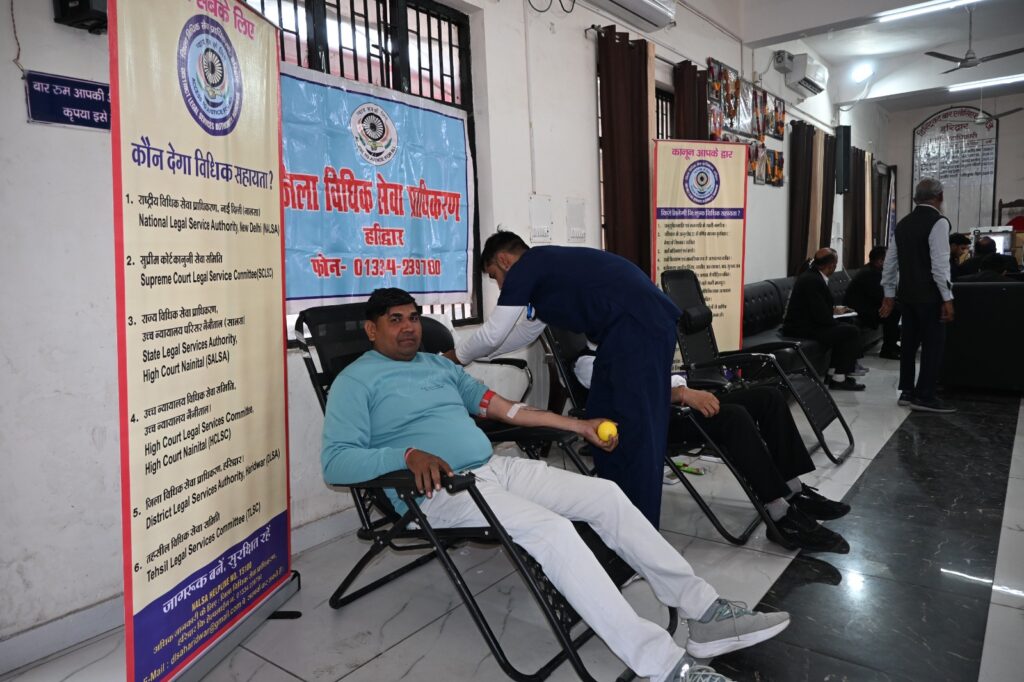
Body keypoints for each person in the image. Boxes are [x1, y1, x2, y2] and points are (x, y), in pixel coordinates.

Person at [322, 288, 789, 682]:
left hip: (492, 468)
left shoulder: (437, 367)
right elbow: (336, 462)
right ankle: (663, 666)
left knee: (606, 496)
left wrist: (579, 426)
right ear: (371, 330)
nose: (409, 327)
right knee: (551, 531)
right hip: (433, 492)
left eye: (413, 318)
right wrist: (406, 455)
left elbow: (507, 410)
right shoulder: (355, 381)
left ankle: (705, 613)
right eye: (395, 320)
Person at [446, 232, 680, 528]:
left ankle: (640, 527)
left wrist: (456, 356)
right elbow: (521, 334)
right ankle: (613, 513)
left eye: (494, 276)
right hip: (624, 334)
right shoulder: (546, 272)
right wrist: (477, 355)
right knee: (602, 415)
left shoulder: (527, 267)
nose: (500, 285)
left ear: (504, 260)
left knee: (635, 430)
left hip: (638, 329)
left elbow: (495, 332)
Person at [574, 353, 851, 553]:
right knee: (734, 417)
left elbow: (662, 377)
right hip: (653, 425)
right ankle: (779, 514)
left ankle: (794, 490)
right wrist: (682, 394)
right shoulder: (587, 363)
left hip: (679, 406)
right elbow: (634, 394)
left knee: (769, 398)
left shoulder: (633, 342)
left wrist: (687, 390)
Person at [880, 178, 955, 414]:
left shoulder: (903, 224)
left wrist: (889, 294)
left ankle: (907, 391)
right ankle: (925, 395)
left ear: (916, 198)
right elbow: (940, 265)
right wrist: (947, 298)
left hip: (906, 296)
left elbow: (890, 262)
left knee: (909, 344)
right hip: (930, 296)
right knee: (933, 346)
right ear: (939, 197)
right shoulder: (939, 222)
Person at [782, 248, 865, 391]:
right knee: (851, 331)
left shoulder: (813, 276)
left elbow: (816, 307)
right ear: (832, 265)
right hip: (800, 327)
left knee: (847, 326)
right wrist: (835, 321)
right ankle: (839, 379)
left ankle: (833, 373)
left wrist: (835, 313)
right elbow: (820, 316)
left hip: (807, 323)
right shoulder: (813, 281)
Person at [845, 246, 901, 359]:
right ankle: (887, 349)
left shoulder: (873, 270)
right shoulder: (870, 273)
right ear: (880, 261)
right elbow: (881, 297)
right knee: (893, 311)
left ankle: (891, 345)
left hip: (868, 306)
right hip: (859, 311)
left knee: (896, 307)